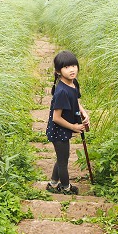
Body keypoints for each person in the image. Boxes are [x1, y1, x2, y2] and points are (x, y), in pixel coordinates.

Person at [45, 50, 90, 195]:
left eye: (73, 65)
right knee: (63, 160)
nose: (72, 69)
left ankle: (53, 183)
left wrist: (83, 112)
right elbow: (56, 118)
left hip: (64, 129)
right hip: (58, 130)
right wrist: (73, 127)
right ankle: (65, 187)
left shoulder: (73, 83)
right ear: (58, 71)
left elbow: (75, 101)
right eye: (66, 67)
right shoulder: (61, 92)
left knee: (62, 157)